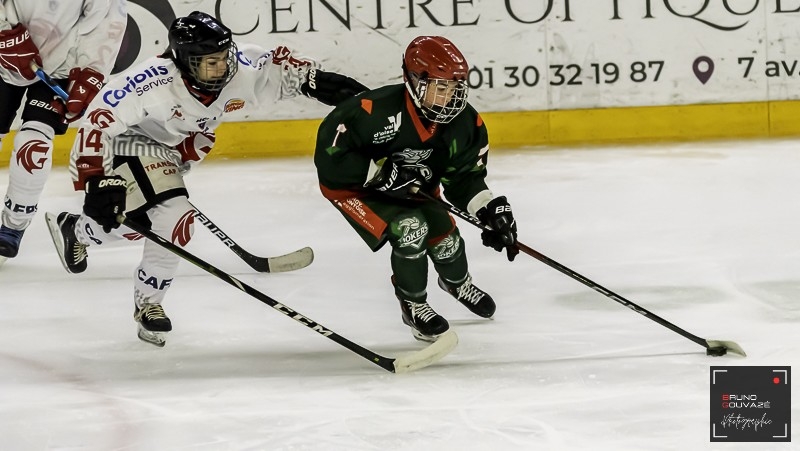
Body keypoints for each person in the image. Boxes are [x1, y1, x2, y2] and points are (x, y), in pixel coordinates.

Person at [45, 11, 365, 347]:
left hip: (171, 151)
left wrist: (322, 84)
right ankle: (149, 302)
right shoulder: (149, 82)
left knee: (137, 224)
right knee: (175, 220)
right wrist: (94, 179)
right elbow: (97, 123)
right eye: (209, 62)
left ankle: (77, 230)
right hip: (127, 142)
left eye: (223, 58)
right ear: (184, 61)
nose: (221, 68)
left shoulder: (240, 68)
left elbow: (289, 75)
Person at [313, 36, 518, 342]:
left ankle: (457, 282)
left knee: (445, 236)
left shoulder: (465, 123)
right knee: (411, 229)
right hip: (355, 190)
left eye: (455, 88)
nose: (450, 97)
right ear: (414, 81)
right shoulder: (372, 110)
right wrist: (378, 173)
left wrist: (489, 209)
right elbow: (330, 157)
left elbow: (464, 178)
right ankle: (414, 304)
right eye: (441, 87)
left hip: (414, 188)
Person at [0, 1, 127, 264]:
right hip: (2, 55)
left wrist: (90, 74)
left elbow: (105, 22)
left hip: (58, 67)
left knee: (33, 146)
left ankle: (13, 225)